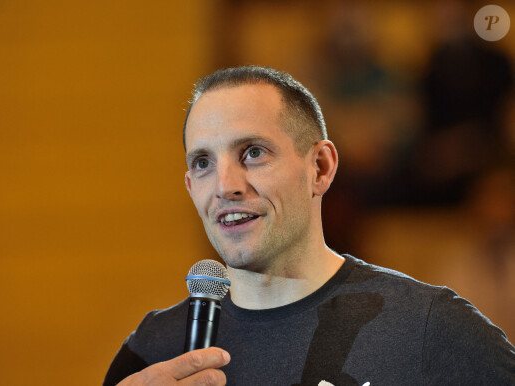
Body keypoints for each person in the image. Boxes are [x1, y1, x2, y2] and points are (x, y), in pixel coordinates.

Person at [103, 66, 515, 386]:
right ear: (191, 187)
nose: (225, 186)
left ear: (320, 167)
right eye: (204, 163)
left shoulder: (427, 328)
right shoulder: (151, 351)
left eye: (253, 152)